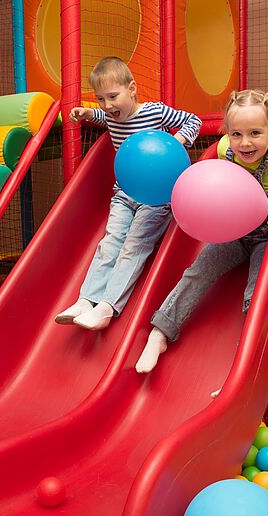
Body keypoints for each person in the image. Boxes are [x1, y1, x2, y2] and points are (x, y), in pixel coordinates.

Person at [135, 89, 268, 377]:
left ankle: (250, 356)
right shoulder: (225, 150)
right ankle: (160, 332)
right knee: (197, 271)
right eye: (236, 134)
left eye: (255, 133)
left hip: (265, 235)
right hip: (233, 233)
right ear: (227, 132)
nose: (245, 142)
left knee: (255, 294)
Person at [54, 56, 202, 330]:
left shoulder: (155, 112)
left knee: (133, 246)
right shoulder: (111, 116)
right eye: (100, 99)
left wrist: (175, 141)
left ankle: (108, 307)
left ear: (131, 88)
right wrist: (89, 113)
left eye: (113, 96)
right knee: (109, 243)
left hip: (156, 198)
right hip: (123, 193)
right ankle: (87, 300)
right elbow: (106, 117)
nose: (107, 105)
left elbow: (193, 120)